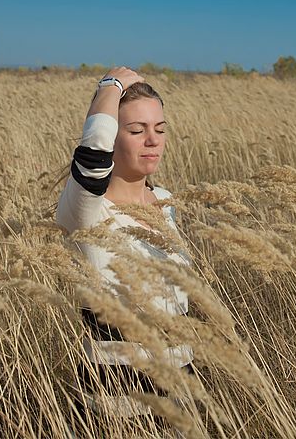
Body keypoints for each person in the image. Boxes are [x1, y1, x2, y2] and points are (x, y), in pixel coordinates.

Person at [55, 66, 195, 435]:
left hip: (181, 386)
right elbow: (93, 150)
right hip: (118, 396)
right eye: (136, 130)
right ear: (113, 137)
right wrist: (112, 85)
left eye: (160, 129)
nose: (153, 141)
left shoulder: (165, 201)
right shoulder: (86, 209)